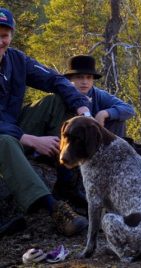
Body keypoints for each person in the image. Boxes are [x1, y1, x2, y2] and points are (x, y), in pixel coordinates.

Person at [0, 8, 90, 236]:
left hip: (13, 125)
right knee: (6, 142)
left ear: (11, 36)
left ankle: (67, 181)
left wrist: (82, 106)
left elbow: (54, 79)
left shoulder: (16, 60)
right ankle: (55, 209)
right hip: (6, 136)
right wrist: (29, 139)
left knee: (56, 101)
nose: (0, 41)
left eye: (4, 35)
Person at [18, 55, 136, 208]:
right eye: (79, 77)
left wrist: (105, 113)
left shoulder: (97, 95)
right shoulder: (58, 97)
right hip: (58, 145)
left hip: (90, 147)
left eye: (88, 77)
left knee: (117, 118)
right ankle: (68, 182)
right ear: (70, 79)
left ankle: (111, 165)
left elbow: (128, 109)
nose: (85, 82)